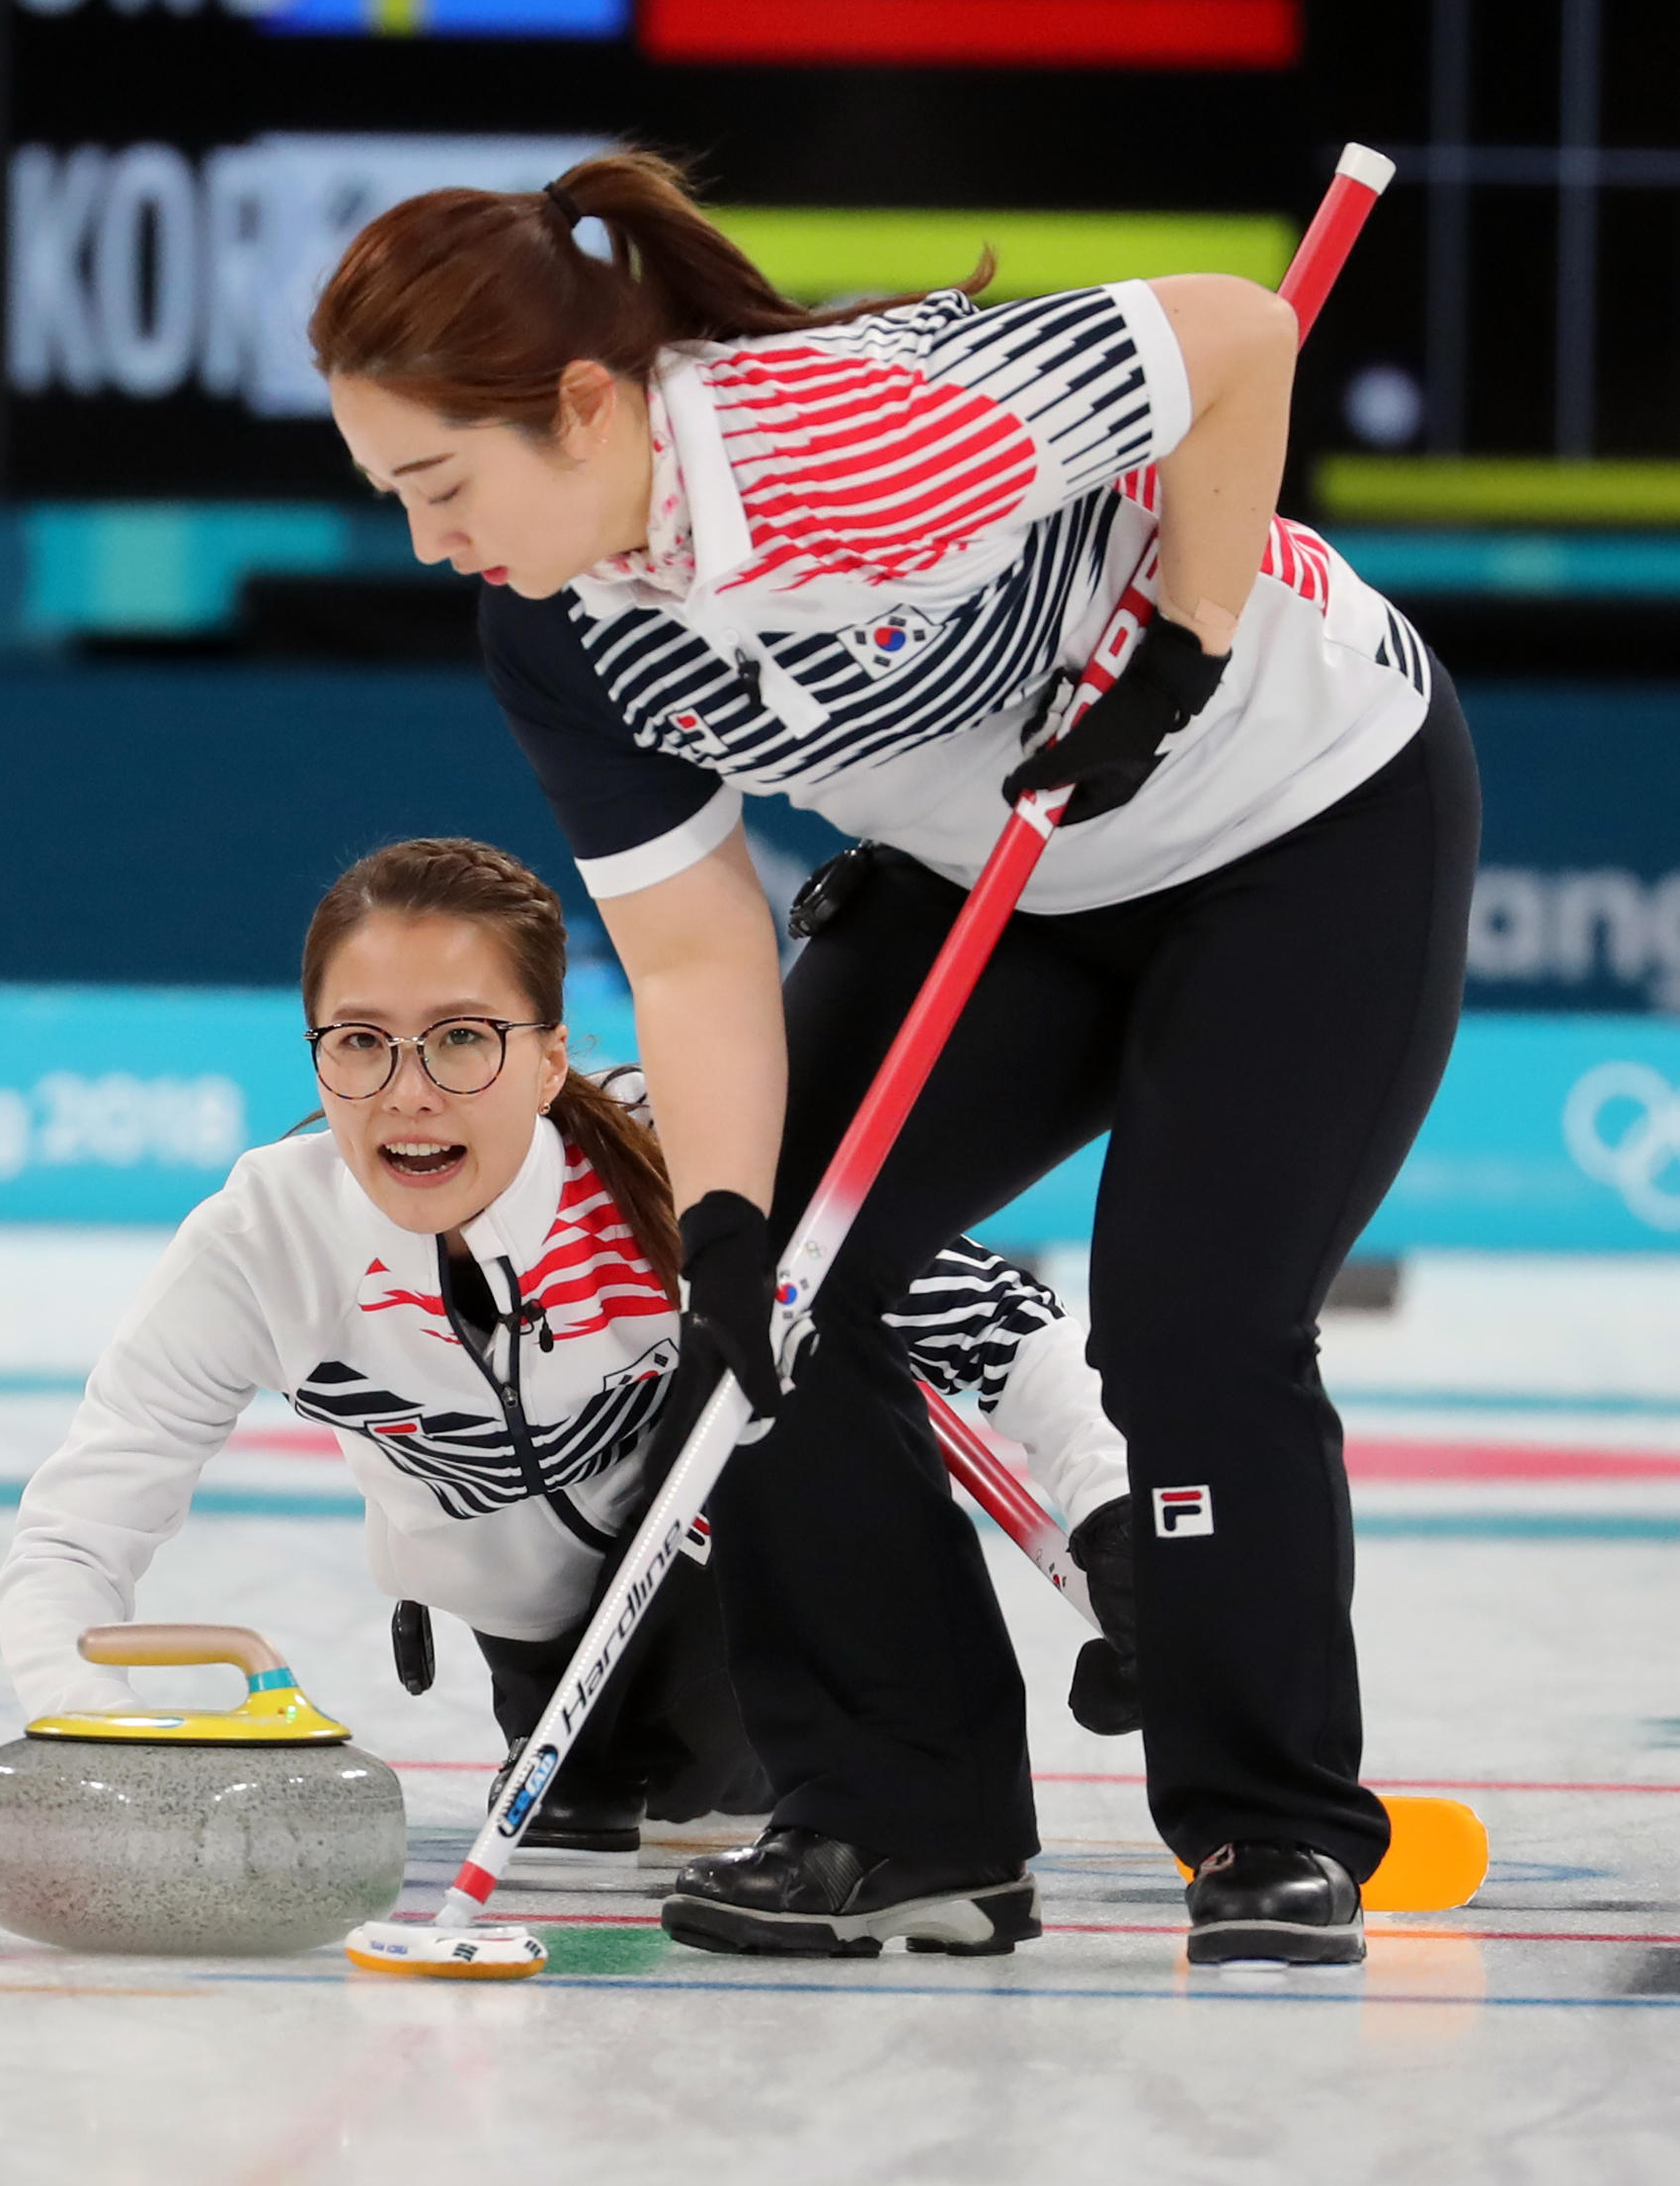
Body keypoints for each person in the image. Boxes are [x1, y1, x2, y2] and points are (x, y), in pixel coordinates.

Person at [308, 151, 1480, 1965]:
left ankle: (1268, 1831)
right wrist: (714, 1234)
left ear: (586, 403)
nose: (428, 540)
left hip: (1298, 824)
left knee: (1192, 1317)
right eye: (390, 493)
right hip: (993, 876)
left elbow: (1243, 335)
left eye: (443, 484)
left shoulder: (857, 436)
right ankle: (904, 1824)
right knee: (771, 1301)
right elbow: (697, 953)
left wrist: (1187, 636)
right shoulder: (556, 627)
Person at [0, 837, 1134, 1867]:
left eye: (461, 1040)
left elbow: (999, 1323)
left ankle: (843, 1775)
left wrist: (1117, 1532)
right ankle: (591, 1752)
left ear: (548, 1061)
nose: (409, 1094)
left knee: (749, 1364)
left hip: (726, 1619)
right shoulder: (263, 1240)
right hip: (534, 1652)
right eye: (360, 1043)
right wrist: (85, 1712)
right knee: (586, 1794)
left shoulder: (684, 1152)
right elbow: (82, 1520)